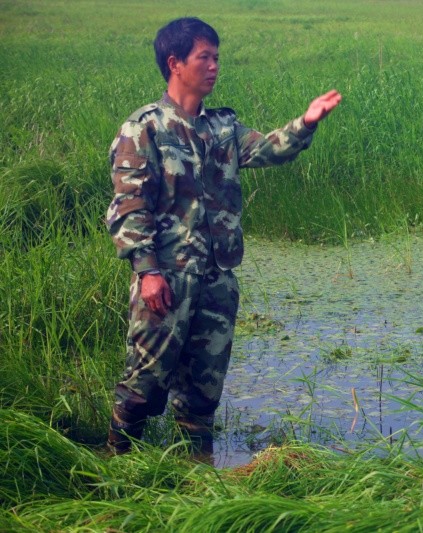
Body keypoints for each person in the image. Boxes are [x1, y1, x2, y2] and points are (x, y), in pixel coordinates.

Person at [105, 17, 341, 460]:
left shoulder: (223, 128)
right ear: (175, 63)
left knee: (202, 396)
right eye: (204, 57)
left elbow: (268, 149)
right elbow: (128, 206)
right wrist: (147, 271)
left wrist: (306, 123)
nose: (214, 66)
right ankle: (116, 466)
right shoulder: (144, 129)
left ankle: (198, 476)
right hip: (167, 279)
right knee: (144, 385)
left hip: (217, 279)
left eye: (216, 57)